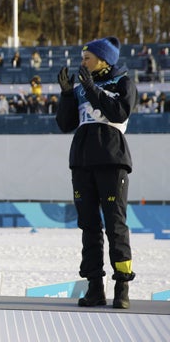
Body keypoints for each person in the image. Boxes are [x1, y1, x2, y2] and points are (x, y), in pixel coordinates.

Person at [56, 36, 138, 310]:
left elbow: (119, 113)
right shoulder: (81, 87)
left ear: (103, 59)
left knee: (115, 226)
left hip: (111, 161)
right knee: (89, 227)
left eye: (87, 57)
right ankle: (94, 288)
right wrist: (68, 95)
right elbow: (65, 124)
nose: (82, 61)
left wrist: (92, 89)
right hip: (81, 162)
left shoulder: (123, 82)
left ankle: (122, 286)